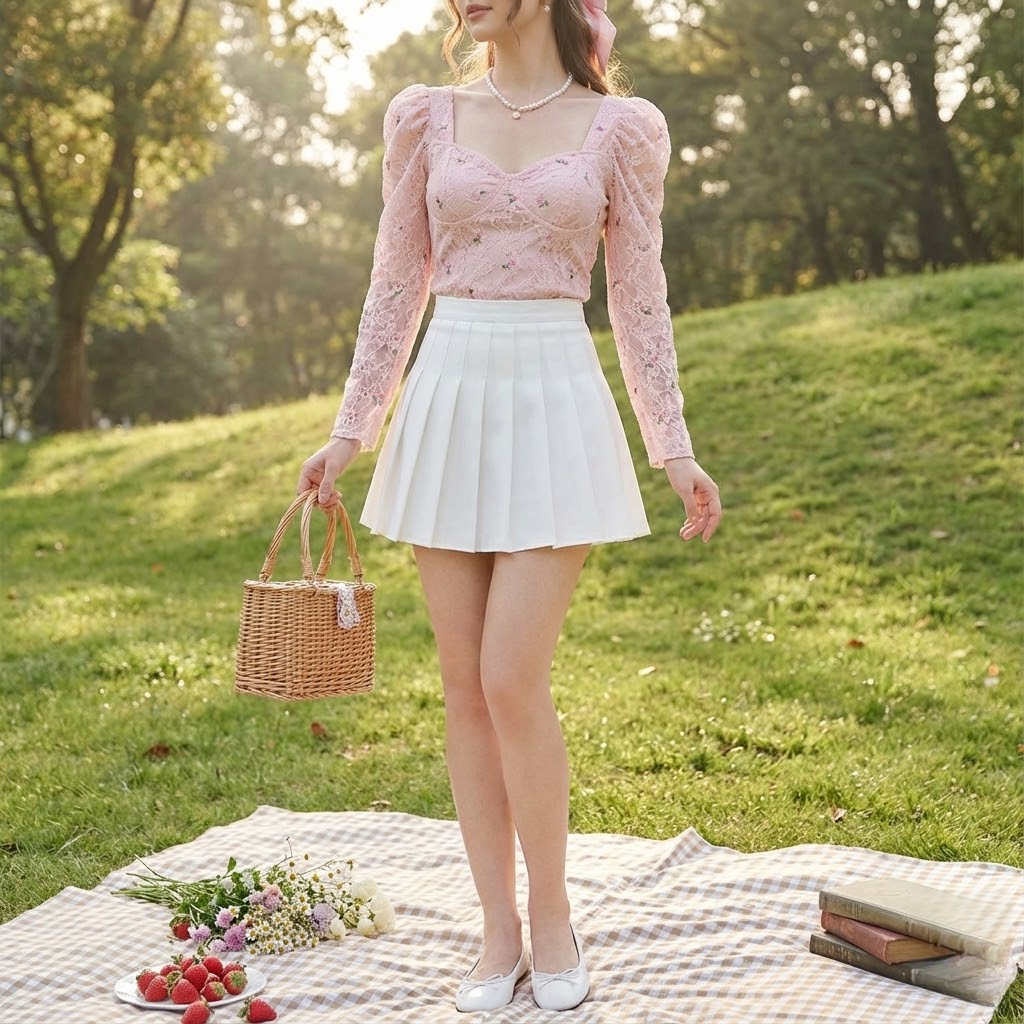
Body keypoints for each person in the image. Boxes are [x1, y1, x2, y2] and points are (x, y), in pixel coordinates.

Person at [297, 0, 722, 1012]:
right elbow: (395, 282)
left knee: (509, 676)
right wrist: (351, 429)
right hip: (450, 387)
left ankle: (556, 916)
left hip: (555, 393)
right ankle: (497, 929)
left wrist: (674, 447)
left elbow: (639, 292)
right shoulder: (424, 116)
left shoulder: (621, 128)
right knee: (460, 684)